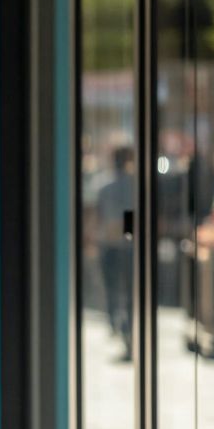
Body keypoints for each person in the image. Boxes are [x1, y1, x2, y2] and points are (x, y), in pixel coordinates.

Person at [96, 145, 136, 360]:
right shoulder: (127, 185)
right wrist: (127, 237)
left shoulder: (107, 185)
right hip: (121, 244)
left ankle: (118, 322)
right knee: (124, 289)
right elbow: (129, 214)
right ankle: (121, 324)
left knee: (114, 287)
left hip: (112, 243)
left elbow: (102, 215)